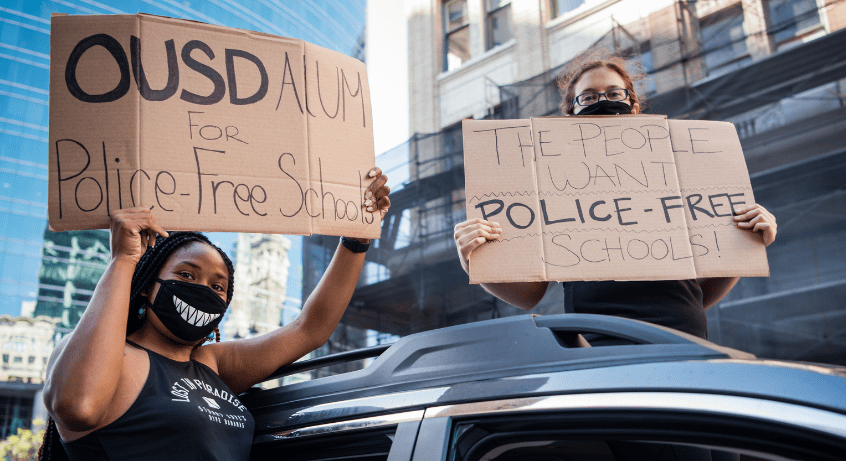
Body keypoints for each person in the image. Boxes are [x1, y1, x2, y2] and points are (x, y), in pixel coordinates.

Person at [39, 168, 391, 461]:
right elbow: (77, 407)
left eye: (218, 286)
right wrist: (124, 260)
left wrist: (357, 237)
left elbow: (308, 329)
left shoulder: (211, 363)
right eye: (186, 276)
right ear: (147, 285)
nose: (203, 290)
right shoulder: (107, 357)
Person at [453, 53, 778, 342]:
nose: (602, 102)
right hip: (601, 350)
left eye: (613, 94)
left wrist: (746, 241)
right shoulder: (551, 184)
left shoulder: (679, 171)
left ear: (633, 105)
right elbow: (529, 297)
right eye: (589, 97)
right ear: (570, 115)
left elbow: (698, 296)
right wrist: (475, 261)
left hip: (684, 342)